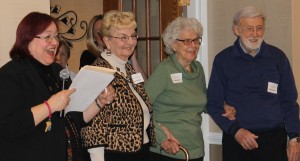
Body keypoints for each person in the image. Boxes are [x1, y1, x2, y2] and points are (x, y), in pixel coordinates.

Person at [0, 12, 115, 161]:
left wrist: (99, 102)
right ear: (27, 38)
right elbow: (7, 125)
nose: (55, 43)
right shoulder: (10, 75)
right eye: (47, 36)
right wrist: (49, 106)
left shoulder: (58, 72)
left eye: (56, 36)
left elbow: (73, 119)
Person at [207, 6, 300, 161]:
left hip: (274, 141)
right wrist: (236, 131)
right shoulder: (223, 60)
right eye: (249, 28)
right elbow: (213, 103)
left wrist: (294, 138)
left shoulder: (278, 58)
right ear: (236, 30)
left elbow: (289, 102)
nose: (255, 34)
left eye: (259, 28)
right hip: (237, 141)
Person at [144, 17, 236, 161]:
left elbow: (203, 100)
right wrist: (161, 136)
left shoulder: (197, 69)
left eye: (196, 40)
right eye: (187, 41)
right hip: (169, 149)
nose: (193, 45)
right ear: (174, 45)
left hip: (195, 148)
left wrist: (222, 106)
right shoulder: (165, 70)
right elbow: (141, 105)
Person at [80, 10, 155, 161]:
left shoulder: (126, 68)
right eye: (123, 37)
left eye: (133, 36)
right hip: (116, 154)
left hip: (141, 150)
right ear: (107, 41)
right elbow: (93, 129)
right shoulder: (99, 71)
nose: (130, 42)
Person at [79, 15, 147, 80]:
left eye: (107, 31)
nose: (104, 34)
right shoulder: (89, 56)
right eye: (100, 32)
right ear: (93, 37)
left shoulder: (122, 55)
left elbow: (145, 85)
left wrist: (133, 57)